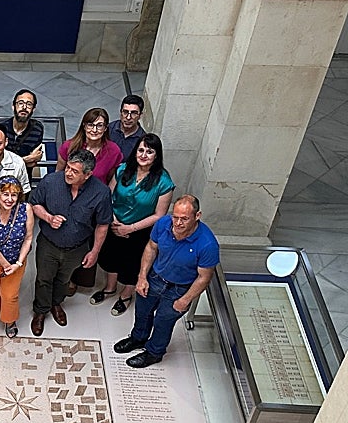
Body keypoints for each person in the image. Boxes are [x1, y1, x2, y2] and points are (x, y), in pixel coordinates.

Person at [114, 195, 219, 368]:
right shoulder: (163, 224)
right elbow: (151, 247)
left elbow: (204, 277)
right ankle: (138, 338)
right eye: (175, 217)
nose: (177, 223)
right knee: (142, 310)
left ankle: (154, 352)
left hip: (180, 288)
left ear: (197, 216)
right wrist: (141, 277)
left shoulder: (207, 245)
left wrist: (185, 300)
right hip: (156, 277)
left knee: (163, 321)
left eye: (184, 219)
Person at [28, 149, 112, 336]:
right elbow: (35, 204)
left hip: (77, 248)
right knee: (43, 278)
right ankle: (41, 311)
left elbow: (102, 225)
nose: (68, 173)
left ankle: (56, 303)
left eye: (75, 171)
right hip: (49, 243)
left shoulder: (101, 192)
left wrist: (95, 251)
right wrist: (49, 218)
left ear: (88, 175)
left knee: (64, 279)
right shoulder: (51, 182)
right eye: (68, 167)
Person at [94, 134, 175, 315]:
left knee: (132, 263)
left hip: (140, 231)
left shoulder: (164, 181)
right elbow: (108, 194)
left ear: (157, 155)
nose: (144, 155)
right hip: (115, 223)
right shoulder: (123, 169)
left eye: (149, 151)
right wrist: (113, 218)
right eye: (141, 150)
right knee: (110, 258)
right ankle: (109, 287)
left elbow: (159, 215)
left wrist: (130, 228)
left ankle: (126, 294)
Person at [56, 107, 123, 294]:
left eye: (99, 125)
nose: (94, 129)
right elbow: (59, 173)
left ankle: (80, 277)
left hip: (94, 203)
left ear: (105, 128)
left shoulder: (113, 151)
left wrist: (104, 202)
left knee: (88, 241)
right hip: (70, 199)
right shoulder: (70, 146)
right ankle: (65, 278)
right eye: (91, 124)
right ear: (84, 126)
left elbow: (111, 178)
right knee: (68, 239)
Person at [0, 175, 34, 338]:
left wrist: (17, 263)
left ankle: (9, 320)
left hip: (17, 261)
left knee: (9, 294)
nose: (9, 199)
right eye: (5, 194)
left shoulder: (26, 209)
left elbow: (29, 238)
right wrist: (6, 265)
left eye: (14, 195)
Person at [0, 89, 45, 169]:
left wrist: (29, 160)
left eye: (29, 104)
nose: (24, 107)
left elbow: (33, 161)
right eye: (20, 103)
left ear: (33, 109)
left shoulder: (37, 129)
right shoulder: (0, 127)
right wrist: (25, 160)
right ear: (13, 107)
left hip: (24, 175)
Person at [110, 94, 147, 160]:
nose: (128, 117)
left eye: (134, 113)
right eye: (125, 112)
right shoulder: (109, 129)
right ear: (120, 112)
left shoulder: (143, 140)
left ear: (140, 115)